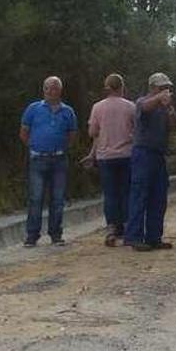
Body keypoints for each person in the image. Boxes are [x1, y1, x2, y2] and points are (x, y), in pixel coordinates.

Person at [124, 73, 176, 252]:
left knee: (159, 197)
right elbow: (145, 107)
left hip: (158, 155)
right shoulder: (142, 102)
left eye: (167, 87)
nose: (166, 90)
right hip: (143, 153)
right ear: (153, 87)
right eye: (162, 87)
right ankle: (134, 237)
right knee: (139, 195)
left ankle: (154, 237)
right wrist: (159, 99)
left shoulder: (165, 107)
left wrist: (171, 111)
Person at [21, 76, 78, 247]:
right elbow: (24, 132)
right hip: (38, 158)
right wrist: (34, 146)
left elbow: (72, 134)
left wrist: (61, 147)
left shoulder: (68, 111)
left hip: (59, 159)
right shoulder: (33, 109)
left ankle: (56, 234)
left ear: (60, 90)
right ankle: (32, 235)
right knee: (35, 198)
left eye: (55, 88)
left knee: (58, 199)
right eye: (48, 88)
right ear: (44, 90)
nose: (52, 91)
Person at [86, 74, 136, 246]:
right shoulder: (131, 107)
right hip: (126, 154)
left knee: (110, 194)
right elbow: (137, 131)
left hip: (105, 157)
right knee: (126, 192)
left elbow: (93, 133)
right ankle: (129, 227)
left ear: (107, 87)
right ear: (122, 87)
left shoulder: (97, 107)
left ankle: (112, 228)